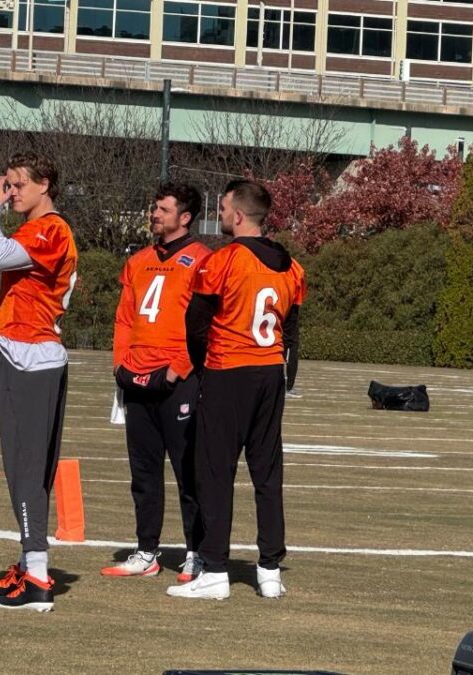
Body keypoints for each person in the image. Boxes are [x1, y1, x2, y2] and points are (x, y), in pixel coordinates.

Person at [168, 179, 306, 601]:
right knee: (267, 473)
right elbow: (292, 335)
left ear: (240, 215)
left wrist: (203, 371)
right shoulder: (292, 267)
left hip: (229, 370)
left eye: (225, 207)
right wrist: (285, 379)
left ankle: (214, 569)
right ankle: (269, 570)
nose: (222, 214)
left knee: (215, 472)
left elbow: (195, 324)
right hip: (270, 373)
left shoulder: (223, 260)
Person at [0, 152, 78, 612]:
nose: (11, 191)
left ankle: (37, 573)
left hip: (34, 356)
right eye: (8, 184)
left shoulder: (49, 228)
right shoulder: (35, 228)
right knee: (21, 467)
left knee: (27, 469)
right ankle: (28, 561)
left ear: (44, 184)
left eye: (18, 184)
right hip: (24, 350)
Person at [102, 183, 210, 582]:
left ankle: (197, 552)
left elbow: (206, 325)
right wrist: (119, 363)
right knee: (143, 471)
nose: (154, 214)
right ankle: (146, 550)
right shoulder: (138, 260)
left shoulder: (203, 260)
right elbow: (124, 317)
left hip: (177, 380)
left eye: (163, 209)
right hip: (137, 377)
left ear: (185, 217)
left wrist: (180, 367)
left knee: (188, 471)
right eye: (154, 208)